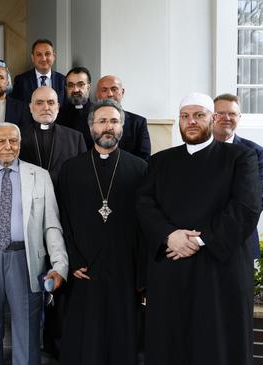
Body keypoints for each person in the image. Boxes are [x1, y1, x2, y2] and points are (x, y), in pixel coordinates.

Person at [136, 92, 262, 365]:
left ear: (213, 119)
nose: (191, 121)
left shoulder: (241, 157)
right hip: (172, 267)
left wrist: (198, 240)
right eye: (185, 116)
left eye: (199, 115)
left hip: (220, 268)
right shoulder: (160, 162)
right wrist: (170, 235)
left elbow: (246, 208)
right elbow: (144, 205)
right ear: (179, 122)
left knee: (218, 343)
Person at [0, 122, 68, 365]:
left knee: (27, 329)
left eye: (13, 141)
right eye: (1, 141)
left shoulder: (40, 176)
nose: (7, 146)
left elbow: (52, 226)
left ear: (20, 143)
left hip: (25, 260)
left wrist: (59, 265)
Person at [58, 99, 147, 365]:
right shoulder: (71, 169)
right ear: (91, 127)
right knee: (86, 339)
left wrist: (141, 273)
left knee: (123, 337)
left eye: (114, 121)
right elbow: (62, 218)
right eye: (102, 121)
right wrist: (72, 259)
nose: (108, 127)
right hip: (84, 269)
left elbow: (146, 225)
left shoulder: (140, 169)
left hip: (124, 270)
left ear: (122, 127)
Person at [213, 93, 263, 258]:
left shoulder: (255, 152)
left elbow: (257, 198)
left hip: (241, 238)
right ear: (211, 116)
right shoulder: (193, 150)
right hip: (200, 239)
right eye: (220, 113)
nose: (226, 117)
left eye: (232, 113)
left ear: (239, 117)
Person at [19, 86, 86, 185]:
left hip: (64, 197)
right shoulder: (17, 136)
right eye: (39, 103)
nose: (46, 108)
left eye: (51, 103)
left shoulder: (76, 138)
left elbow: (83, 174)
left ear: (58, 107)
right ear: (31, 108)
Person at [95, 75, 151, 160]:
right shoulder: (90, 121)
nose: (110, 94)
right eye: (104, 90)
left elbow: (144, 158)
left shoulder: (138, 122)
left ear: (122, 92)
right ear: (97, 94)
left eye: (114, 89)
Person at [12, 39, 67, 105]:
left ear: (54, 57)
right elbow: (16, 107)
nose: (43, 59)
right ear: (32, 58)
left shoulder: (63, 80)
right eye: (39, 54)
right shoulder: (21, 81)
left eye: (47, 54)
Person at [56, 67, 94, 149]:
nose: (75, 89)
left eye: (80, 84)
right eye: (70, 85)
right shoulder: (58, 115)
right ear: (66, 88)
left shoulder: (99, 113)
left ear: (89, 87)